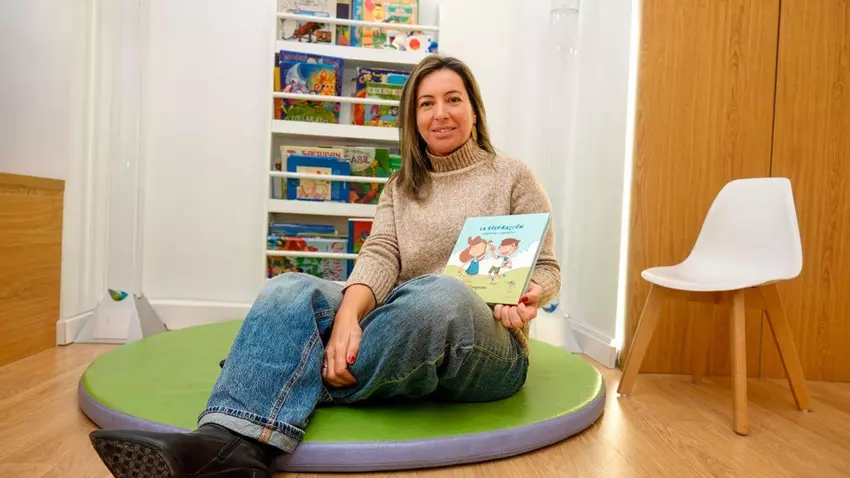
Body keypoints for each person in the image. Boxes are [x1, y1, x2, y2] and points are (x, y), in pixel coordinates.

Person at [89, 55, 561, 478]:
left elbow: (546, 268)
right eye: (426, 104)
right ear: (413, 119)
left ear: (474, 109)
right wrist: (348, 319)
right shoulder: (400, 185)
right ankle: (227, 446)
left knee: (441, 293)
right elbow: (380, 257)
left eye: (453, 99)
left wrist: (528, 296)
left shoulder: (512, 176)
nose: (441, 113)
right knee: (289, 288)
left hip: (488, 348)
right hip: (403, 319)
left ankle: (267, 373)